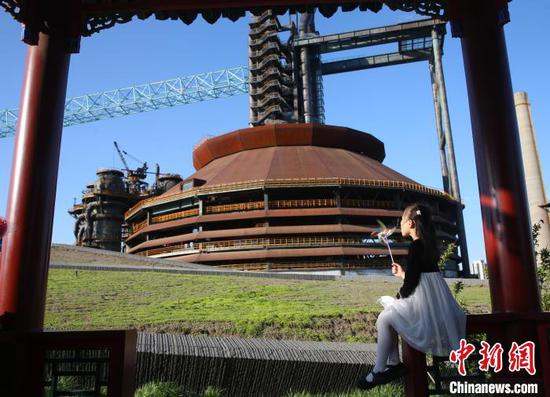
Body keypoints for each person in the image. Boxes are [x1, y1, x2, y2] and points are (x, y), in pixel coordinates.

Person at [357, 203, 466, 390]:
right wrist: (402, 274)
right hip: (434, 301)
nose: (400, 224)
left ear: (412, 224)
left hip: (424, 303)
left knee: (385, 318)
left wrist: (400, 296)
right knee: (388, 316)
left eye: (402, 221)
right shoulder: (428, 245)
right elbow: (424, 277)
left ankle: (381, 369)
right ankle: (390, 365)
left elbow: (414, 282)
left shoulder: (415, 247)